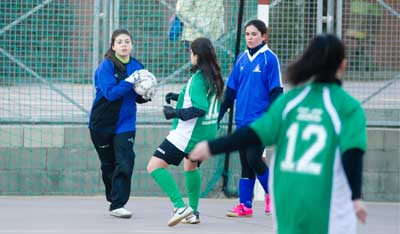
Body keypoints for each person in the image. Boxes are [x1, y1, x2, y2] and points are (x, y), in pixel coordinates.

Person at [189, 34, 368, 234]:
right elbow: (352, 154)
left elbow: (252, 134)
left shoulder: (291, 101)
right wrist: (356, 196)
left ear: (308, 61)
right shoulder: (348, 107)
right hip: (325, 202)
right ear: (342, 65)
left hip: (286, 198)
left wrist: (212, 147)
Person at [146, 37, 224, 227]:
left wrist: (175, 113)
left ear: (197, 55)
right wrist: (178, 97)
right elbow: (202, 100)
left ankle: (180, 206)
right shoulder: (214, 76)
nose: (190, 55)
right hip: (207, 133)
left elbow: (199, 108)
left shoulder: (198, 79)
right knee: (191, 167)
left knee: (154, 166)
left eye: (191, 52)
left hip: (188, 135)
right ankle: (193, 212)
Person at [217, 19, 283, 216]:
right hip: (242, 121)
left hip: (261, 122)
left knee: (254, 158)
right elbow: (230, 91)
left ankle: (275, 196)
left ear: (263, 36)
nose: (250, 38)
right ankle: (245, 205)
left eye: (254, 34)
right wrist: (220, 113)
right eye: (247, 34)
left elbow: (276, 92)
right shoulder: (241, 59)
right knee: (246, 162)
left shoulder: (269, 59)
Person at [89, 29, 153, 219]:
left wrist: (146, 95)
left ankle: (118, 204)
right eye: (119, 42)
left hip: (125, 123)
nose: (124, 45)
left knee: (125, 161)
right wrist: (129, 81)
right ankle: (113, 196)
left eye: (127, 41)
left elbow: (135, 94)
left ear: (132, 45)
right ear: (113, 46)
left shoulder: (137, 66)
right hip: (102, 123)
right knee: (108, 165)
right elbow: (110, 94)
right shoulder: (106, 67)